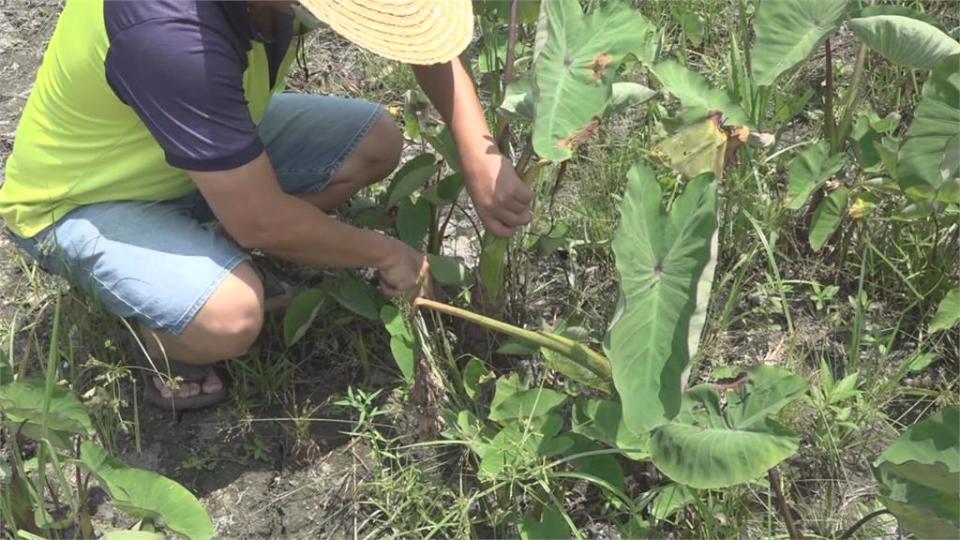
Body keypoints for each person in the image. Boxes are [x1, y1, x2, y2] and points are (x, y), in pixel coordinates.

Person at [0, 0, 533, 410]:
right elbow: (260, 219)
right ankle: (166, 341)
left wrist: (477, 151)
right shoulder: (168, 31)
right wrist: (385, 253)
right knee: (229, 316)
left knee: (374, 143)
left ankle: (208, 235)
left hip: (185, 148)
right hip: (83, 199)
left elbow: (425, 42)